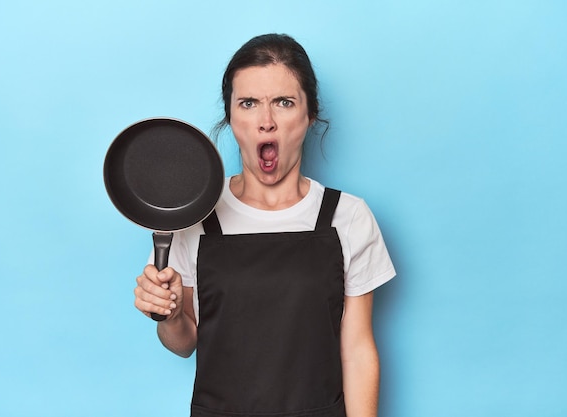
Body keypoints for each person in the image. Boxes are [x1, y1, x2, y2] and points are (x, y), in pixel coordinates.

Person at [134, 33, 396, 417]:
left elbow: (357, 351)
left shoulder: (348, 216)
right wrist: (171, 315)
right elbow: (184, 343)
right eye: (249, 103)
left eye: (284, 103)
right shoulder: (195, 218)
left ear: (309, 116)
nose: (266, 122)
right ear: (231, 116)